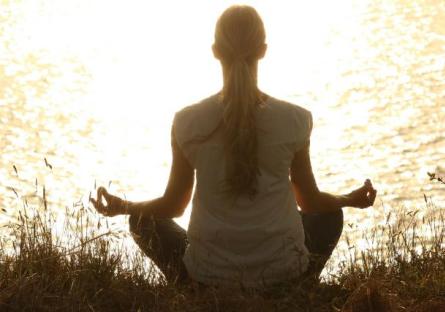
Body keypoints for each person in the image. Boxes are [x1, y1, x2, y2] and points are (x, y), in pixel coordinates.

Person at [90, 5, 377, 288]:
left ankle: (192, 290)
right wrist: (348, 200)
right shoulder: (295, 120)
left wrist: (123, 207)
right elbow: (310, 201)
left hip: (208, 276)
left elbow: (173, 205)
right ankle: (296, 285)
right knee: (329, 214)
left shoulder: (187, 122)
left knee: (142, 221)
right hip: (283, 273)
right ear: (263, 50)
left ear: (215, 51)